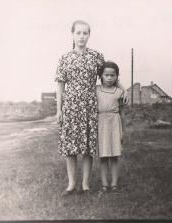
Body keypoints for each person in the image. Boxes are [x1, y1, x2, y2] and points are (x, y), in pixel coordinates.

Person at [55, 20, 127, 195]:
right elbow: (60, 85)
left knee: (87, 146)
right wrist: (59, 109)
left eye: (85, 33)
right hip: (71, 106)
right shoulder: (65, 58)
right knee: (70, 147)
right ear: (72, 34)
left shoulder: (95, 56)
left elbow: (109, 74)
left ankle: (85, 184)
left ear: (89, 35)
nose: (81, 36)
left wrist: (123, 89)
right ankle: (71, 184)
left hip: (89, 105)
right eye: (78, 33)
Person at [96, 61, 125, 194]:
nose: (109, 78)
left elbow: (122, 113)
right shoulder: (96, 90)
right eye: (106, 75)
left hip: (114, 123)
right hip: (100, 123)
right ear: (101, 76)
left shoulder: (119, 92)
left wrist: (122, 131)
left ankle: (114, 183)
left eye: (112, 75)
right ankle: (104, 184)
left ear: (117, 77)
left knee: (114, 156)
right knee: (103, 156)